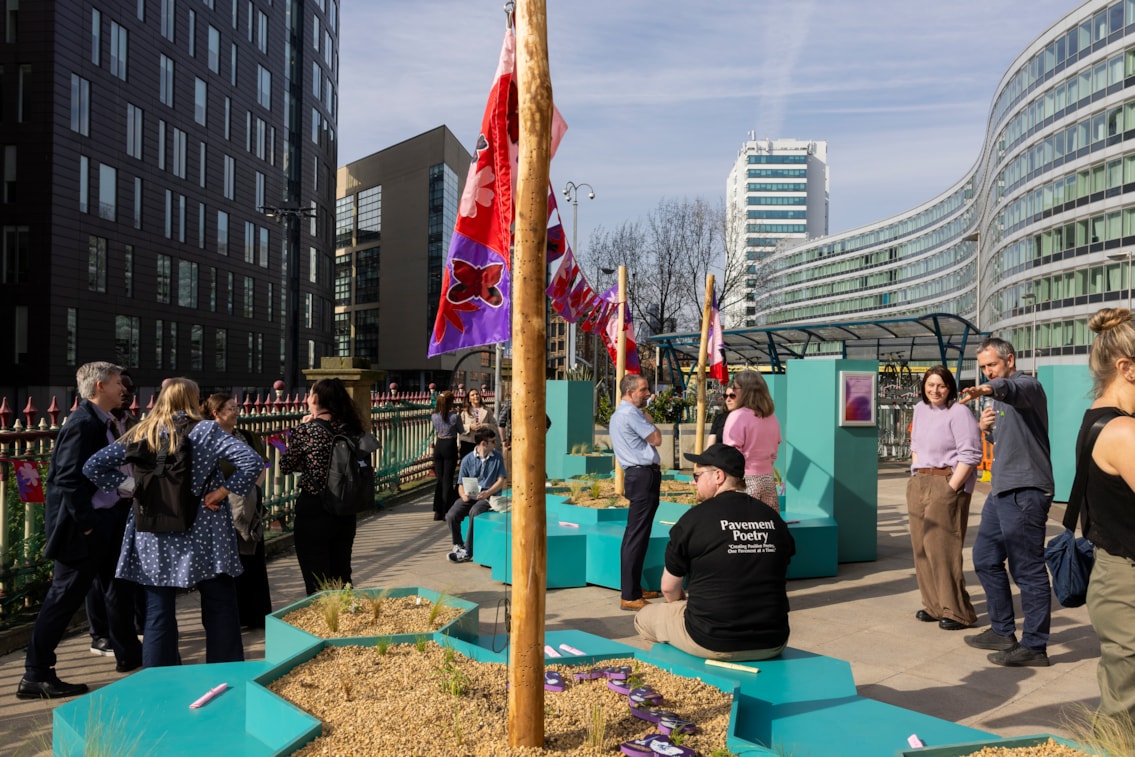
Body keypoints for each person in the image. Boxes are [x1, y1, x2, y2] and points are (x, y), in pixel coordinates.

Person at [83, 377, 260, 669]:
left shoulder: (143, 430)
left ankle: (160, 680)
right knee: (220, 604)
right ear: (193, 399)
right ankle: (225, 671)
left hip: (154, 527)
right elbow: (252, 462)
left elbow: (92, 466)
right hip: (205, 528)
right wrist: (222, 491)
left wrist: (131, 485)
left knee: (158, 610)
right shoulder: (206, 431)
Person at [17, 362, 143, 699]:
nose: (124, 389)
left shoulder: (101, 420)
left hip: (108, 519)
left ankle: (129, 655)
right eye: (118, 383)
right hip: (84, 529)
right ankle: (35, 674)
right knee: (63, 600)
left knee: (119, 588)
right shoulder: (83, 422)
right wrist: (87, 525)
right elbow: (68, 478)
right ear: (100, 386)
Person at [634, 444, 795, 660]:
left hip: (711, 638)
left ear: (718, 476)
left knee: (644, 618)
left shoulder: (693, 520)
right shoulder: (774, 519)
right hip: (774, 639)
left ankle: (675, 679)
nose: (693, 482)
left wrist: (682, 604)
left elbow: (668, 588)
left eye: (697, 475)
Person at [958, 337, 1054, 667]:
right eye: (983, 368)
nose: (986, 373)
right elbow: (1010, 439)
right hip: (1002, 491)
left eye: (992, 366)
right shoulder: (997, 399)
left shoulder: (1028, 386)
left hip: (1026, 490)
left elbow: (1010, 390)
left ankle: (1035, 646)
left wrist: (985, 390)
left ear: (1009, 360)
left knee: (1027, 569)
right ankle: (1002, 631)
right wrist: (986, 431)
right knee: (984, 558)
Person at [1074, 308, 1135, 720]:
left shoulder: (1100, 419)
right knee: (1124, 712)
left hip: (1115, 576)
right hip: (1126, 583)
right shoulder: (1122, 432)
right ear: (1126, 368)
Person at [907, 366, 982, 631]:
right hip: (920, 481)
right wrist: (916, 473)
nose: (935, 390)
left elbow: (971, 454)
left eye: (941, 385)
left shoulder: (959, 412)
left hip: (946, 481)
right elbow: (915, 445)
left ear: (950, 387)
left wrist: (951, 487)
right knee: (922, 549)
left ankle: (957, 611)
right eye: (930, 385)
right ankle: (934, 605)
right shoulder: (919, 409)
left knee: (943, 550)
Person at [280, 378, 369, 595]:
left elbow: (286, 465)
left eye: (310, 393)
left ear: (316, 399)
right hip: (344, 507)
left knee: (316, 576)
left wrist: (303, 429)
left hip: (315, 508)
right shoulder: (351, 429)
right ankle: (347, 618)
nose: (308, 397)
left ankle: (324, 621)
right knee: (341, 573)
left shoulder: (307, 430)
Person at [85, 368, 142, 657]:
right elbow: (86, 469)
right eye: (121, 386)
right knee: (98, 578)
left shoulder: (130, 421)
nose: (126, 393)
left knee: (118, 576)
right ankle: (99, 634)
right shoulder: (92, 423)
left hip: (124, 503)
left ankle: (124, 637)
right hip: (102, 507)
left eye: (129, 389)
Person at [204, 393, 272, 628]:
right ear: (216, 413)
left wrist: (251, 490)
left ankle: (255, 614)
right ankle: (233, 616)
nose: (237, 411)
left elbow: (263, 464)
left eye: (237, 407)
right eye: (231, 408)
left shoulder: (248, 437)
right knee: (228, 563)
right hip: (217, 507)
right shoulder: (207, 439)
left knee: (252, 556)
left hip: (247, 503)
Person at [610, 374, 663, 611]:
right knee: (636, 535)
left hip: (638, 475)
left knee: (638, 534)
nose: (648, 393)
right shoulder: (632, 414)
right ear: (630, 392)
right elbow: (657, 438)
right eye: (643, 390)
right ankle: (630, 594)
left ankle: (634, 587)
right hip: (642, 475)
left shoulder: (620, 414)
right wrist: (649, 418)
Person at [445, 427, 507, 563]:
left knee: (475, 511)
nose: (495, 443)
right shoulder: (467, 460)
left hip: (489, 497)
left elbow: (501, 480)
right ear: (483, 443)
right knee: (451, 515)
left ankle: (468, 550)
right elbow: (460, 483)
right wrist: (463, 495)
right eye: (492, 441)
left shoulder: (497, 457)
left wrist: (488, 493)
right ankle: (458, 544)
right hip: (471, 496)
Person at [722, 371, 782, 510]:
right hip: (767, 479)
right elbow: (775, 450)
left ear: (744, 391)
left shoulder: (737, 416)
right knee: (767, 524)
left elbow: (730, 454)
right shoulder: (771, 417)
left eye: (735, 388)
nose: (733, 391)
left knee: (743, 526)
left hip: (744, 480)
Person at [430, 391, 463, 521]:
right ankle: (447, 508)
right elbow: (461, 430)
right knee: (448, 479)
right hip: (450, 445)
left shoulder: (434, 416)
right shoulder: (454, 416)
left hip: (439, 445)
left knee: (439, 478)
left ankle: (437, 509)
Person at [458, 388, 497, 460]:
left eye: (477, 394)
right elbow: (459, 426)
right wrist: (470, 426)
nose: (475, 396)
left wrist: (484, 425)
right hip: (468, 442)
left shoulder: (487, 410)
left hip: (482, 442)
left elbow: (494, 426)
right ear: (469, 399)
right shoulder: (465, 411)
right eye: (472, 395)